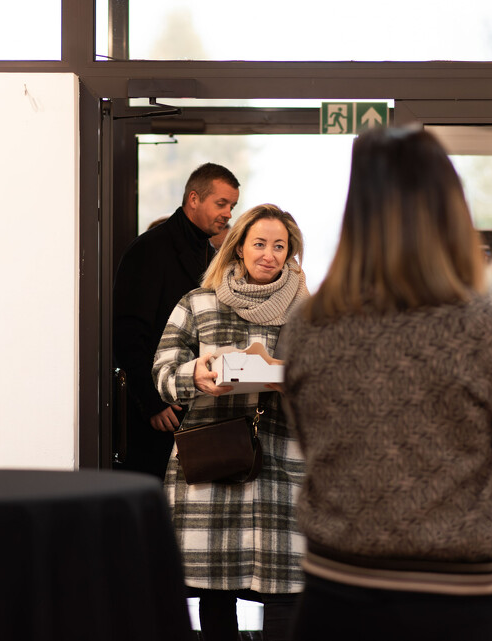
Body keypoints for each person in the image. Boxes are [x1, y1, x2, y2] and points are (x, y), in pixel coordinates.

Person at [280, 126, 492, 641]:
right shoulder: (491, 325)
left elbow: (312, 447)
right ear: (450, 209)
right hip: (464, 594)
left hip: (339, 588)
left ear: (357, 213)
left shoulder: (309, 324)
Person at [153, 204, 309, 641]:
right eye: (260, 243)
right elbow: (163, 371)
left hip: (284, 459)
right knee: (213, 589)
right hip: (213, 458)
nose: (269, 254)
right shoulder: (199, 303)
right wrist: (195, 376)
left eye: (280, 246)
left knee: (286, 587)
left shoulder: (311, 313)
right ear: (239, 247)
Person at [113, 163, 239, 479]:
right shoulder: (150, 248)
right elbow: (129, 333)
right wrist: (152, 403)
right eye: (221, 203)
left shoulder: (209, 255)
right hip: (156, 408)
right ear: (194, 198)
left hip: (193, 402)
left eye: (232, 206)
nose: (227, 214)